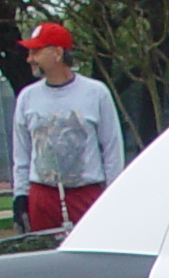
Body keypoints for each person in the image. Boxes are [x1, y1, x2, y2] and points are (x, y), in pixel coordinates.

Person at [10, 22, 125, 232]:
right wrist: (20, 195)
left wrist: (113, 195)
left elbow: (111, 148)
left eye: (36, 52)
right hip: (43, 195)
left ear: (57, 53)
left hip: (85, 193)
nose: (30, 59)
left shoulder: (96, 93)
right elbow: (22, 153)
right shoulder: (27, 98)